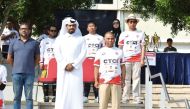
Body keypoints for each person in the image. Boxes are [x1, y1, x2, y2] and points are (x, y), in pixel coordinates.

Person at [54, 17, 86, 109]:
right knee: (62, 90)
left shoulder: (81, 39)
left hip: (76, 69)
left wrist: (74, 64)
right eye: (70, 25)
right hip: (63, 69)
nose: (71, 27)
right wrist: (65, 64)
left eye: (73, 25)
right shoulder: (59, 39)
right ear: (66, 26)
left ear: (76, 26)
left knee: (76, 90)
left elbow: (83, 54)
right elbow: (57, 53)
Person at [7, 22, 40, 109]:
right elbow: (9, 58)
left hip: (29, 74)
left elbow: (37, 59)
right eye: (22, 29)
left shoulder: (35, 43)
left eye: (26, 29)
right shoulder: (13, 42)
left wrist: (30, 66)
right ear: (19, 30)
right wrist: (16, 67)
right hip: (16, 74)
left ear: (29, 31)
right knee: (16, 98)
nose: (24, 30)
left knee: (29, 98)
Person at [94, 32, 126, 109]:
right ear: (104, 39)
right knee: (102, 105)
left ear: (114, 39)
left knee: (116, 106)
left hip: (116, 81)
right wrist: (96, 80)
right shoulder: (100, 51)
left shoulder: (119, 51)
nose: (110, 40)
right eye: (108, 38)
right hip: (103, 81)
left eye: (112, 38)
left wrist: (123, 79)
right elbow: (96, 67)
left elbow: (123, 67)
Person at [119, 14, 145, 104]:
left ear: (136, 23)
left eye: (134, 22)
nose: (132, 23)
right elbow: (120, 47)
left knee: (136, 78)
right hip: (126, 60)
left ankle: (136, 98)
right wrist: (119, 60)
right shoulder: (123, 34)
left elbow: (143, 47)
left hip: (137, 59)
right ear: (127, 23)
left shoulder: (141, 33)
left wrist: (142, 59)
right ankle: (125, 98)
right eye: (131, 22)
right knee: (126, 78)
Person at [83, 21, 103, 103]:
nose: (91, 27)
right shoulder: (83, 38)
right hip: (87, 59)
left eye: (93, 26)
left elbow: (103, 50)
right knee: (86, 78)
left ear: (96, 27)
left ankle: (97, 96)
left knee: (96, 78)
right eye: (89, 26)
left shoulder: (101, 38)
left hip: (97, 60)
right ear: (87, 28)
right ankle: (85, 96)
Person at [39, 25, 58, 102]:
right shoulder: (44, 41)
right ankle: (46, 96)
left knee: (55, 81)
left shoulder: (59, 40)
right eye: (51, 30)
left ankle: (54, 97)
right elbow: (41, 53)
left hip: (56, 64)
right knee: (45, 80)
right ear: (48, 31)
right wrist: (41, 62)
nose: (53, 32)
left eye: (54, 31)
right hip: (46, 64)